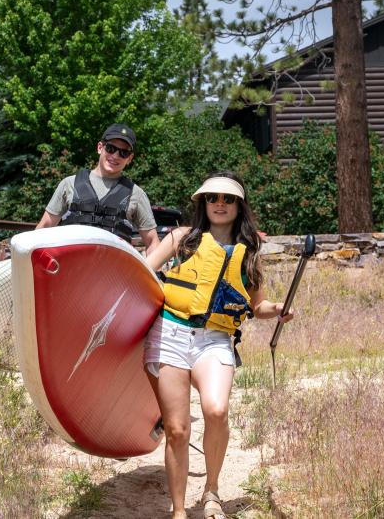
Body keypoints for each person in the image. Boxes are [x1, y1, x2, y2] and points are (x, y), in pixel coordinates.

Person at [141, 172, 291, 519]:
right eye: (213, 198)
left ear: (239, 206)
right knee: (177, 429)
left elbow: (258, 307)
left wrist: (278, 310)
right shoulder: (181, 238)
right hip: (171, 335)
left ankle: (211, 491)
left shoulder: (248, 253)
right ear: (203, 203)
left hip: (215, 340)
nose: (220, 204)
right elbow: (144, 272)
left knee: (216, 409)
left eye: (228, 199)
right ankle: (179, 511)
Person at [35, 123, 159, 251]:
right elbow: (44, 227)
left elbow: (152, 243)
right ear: (100, 147)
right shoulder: (69, 184)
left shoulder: (136, 194)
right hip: (71, 265)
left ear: (130, 158)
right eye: (110, 148)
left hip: (113, 268)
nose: (115, 156)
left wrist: (150, 269)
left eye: (123, 153)